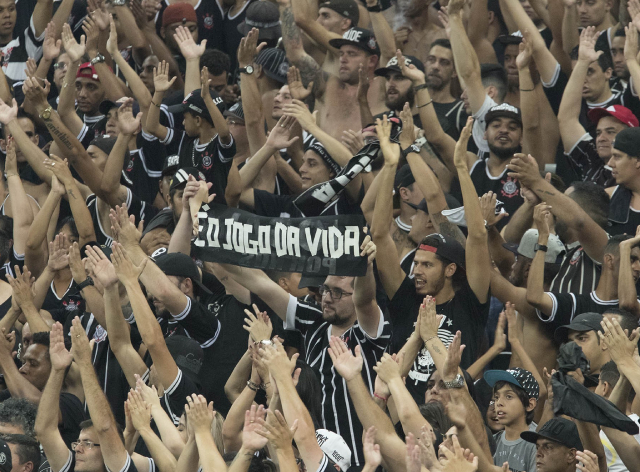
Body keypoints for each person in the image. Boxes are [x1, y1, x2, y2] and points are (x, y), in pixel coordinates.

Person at [372, 116, 491, 401]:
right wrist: (391, 166)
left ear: (450, 269)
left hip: (455, 416)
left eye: (427, 265)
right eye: (415, 265)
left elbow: (476, 236)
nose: (417, 272)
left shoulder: (470, 304)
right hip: (406, 421)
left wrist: (461, 167)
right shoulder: (406, 300)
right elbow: (379, 235)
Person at [484, 368, 539, 472]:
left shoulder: (536, 445)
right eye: (496, 397)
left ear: (529, 405)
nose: (499, 403)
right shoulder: (493, 441)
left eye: (508, 396)